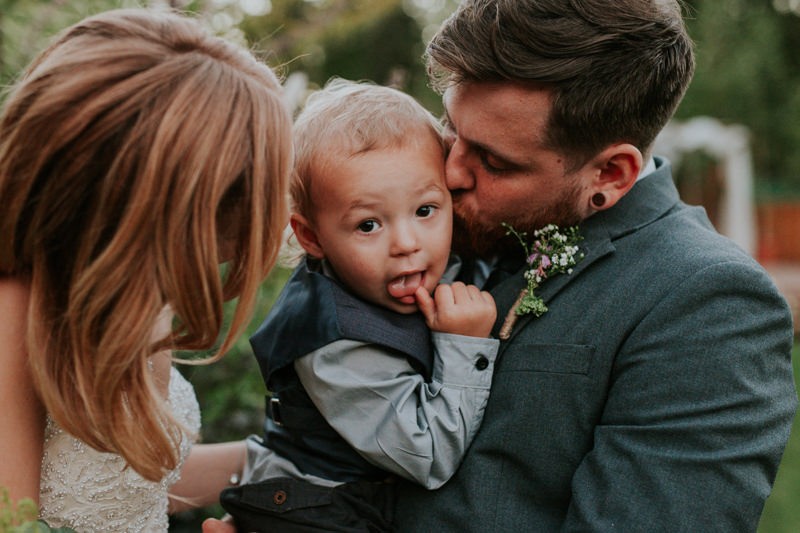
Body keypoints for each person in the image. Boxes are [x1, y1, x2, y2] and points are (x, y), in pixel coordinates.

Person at [387, 0, 798, 531]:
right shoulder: (440, 228)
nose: (450, 171)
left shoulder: (710, 302)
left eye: (494, 161)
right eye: (450, 126)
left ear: (610, 173)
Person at [0, 8, 292, 532]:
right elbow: (17, 521)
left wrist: (302, 463)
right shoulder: (11, 315)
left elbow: (127, 487)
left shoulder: (139, 296)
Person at [216, 78, 499, 532]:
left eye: (426, 210)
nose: (407, 243)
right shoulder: (334, 341)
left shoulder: (426, 264)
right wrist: (463, 344)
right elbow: (428, 458)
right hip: (317, 514)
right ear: (311, 237)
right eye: (368, 224)